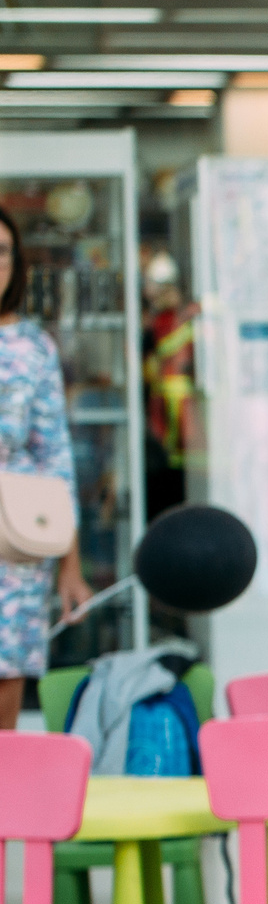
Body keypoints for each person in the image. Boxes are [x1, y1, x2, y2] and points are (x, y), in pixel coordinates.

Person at [0, 203, 88, 730]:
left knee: (5, 693)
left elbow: (56, 459)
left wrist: (70, 567)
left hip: (11, 546)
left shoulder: (32, 347)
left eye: (4, 252)